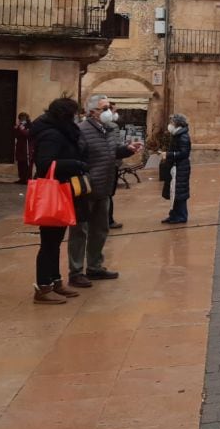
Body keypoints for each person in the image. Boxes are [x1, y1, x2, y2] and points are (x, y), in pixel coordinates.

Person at [69, 95, 141, 286]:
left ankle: (95, 267)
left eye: (109, 107)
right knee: (80, 231)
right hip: (86, 188)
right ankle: (76, 272)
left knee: (100, 230)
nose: (109, 111)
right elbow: (76, 158)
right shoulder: (81, 131)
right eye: (104, 108)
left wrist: (127, 149)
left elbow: (113, 150)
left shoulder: (111, 128)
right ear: (92, 111)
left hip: (105, 186)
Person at [30, 97, 88, 304]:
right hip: (53, 194)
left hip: (63, 191)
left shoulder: (61, 131)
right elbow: (45, 164)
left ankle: (55, 282)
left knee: (55, 242)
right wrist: (75, 164)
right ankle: (43, 288)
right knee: (48, 243)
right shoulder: (51, 135)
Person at [162, 113, 192, 224]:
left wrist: (169, 155)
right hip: (175, 167)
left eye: (171, 122)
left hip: (181, 168)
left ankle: (181, 216)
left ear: (177, 123)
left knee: (180, 193)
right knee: (174, 191)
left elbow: (184, 153)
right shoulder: (176, 134)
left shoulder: (183, 136)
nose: (170, 124)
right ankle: (174, 215)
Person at [105, 101, 125, 229]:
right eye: (114, 111)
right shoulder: (112, 126)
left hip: (104, 164)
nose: (115, 114)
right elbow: (115, 146)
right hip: (110, 165)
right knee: (108, 193)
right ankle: (109, 220)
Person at [13, 112, 34, 184]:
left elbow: (28, 134)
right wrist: (16, 129)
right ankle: (21, 178)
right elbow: (16, 135)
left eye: (23, 118)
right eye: (20, 118)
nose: (21, 120)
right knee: (20, 163)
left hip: (27, 148)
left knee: (27, 164)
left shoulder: (30, 125)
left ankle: (27, 178)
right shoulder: (19, 125)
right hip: (20, 147)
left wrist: (22, 129)